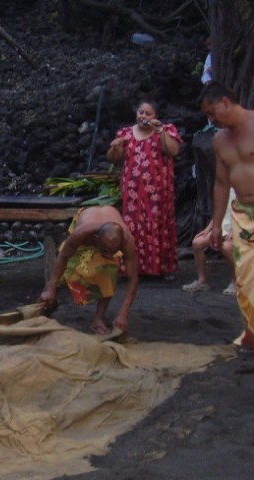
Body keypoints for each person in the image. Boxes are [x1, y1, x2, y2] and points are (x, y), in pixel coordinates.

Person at [199, 81, 254, 352]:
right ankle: (252, 334)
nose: (211, 119)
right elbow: (221, 184)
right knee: (244, 279)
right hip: (243, 214)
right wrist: (217, 224)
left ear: (225, 102)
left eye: (211, 112)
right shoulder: (220, 140)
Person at [106, 99, 182, 279]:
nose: (144, 116)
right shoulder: (126, 134)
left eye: (148, 113)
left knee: (157, 225)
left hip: (158, 193)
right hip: (133, 194)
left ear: (155, 116)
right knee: (132, 227)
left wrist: (160, 131)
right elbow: (112, 158)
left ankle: (162, 268)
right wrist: (116, 147)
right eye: (141, 112)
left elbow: (173, 151)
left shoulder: (166, 131)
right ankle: (132, 268)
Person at [37, 206, 139, 334]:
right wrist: (51, 287)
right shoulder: (82, 234)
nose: (108, 255)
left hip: (109, 218)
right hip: (87, 219)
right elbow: (63, 257)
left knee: (109, 270)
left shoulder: (127, 241)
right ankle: (44, 305)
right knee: (68, 272)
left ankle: (98, 319)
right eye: (106, 250)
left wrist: (123, 314)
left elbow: (133, 278)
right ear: (96, 239)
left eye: (113, 251)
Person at [182, 188, 236, 295]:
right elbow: (219, 212)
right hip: (222, 227)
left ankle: (236, 281)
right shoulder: (227, 189)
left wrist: (235, 230)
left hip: (239, 228)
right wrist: (208, 229)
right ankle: (202, 281)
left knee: (227, 248)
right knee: (197, 243)